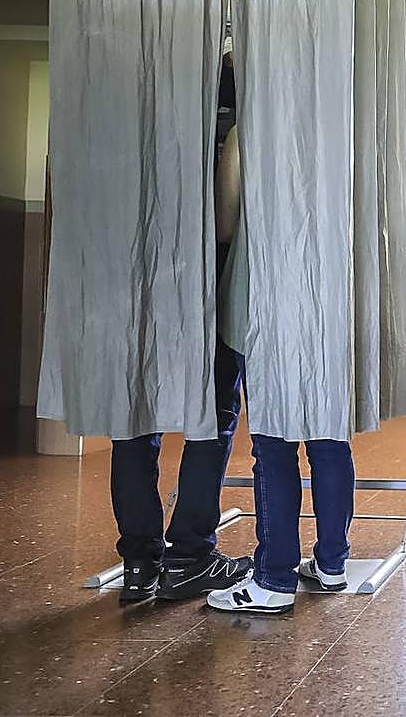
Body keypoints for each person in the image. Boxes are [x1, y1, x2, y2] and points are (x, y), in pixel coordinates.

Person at [205, 61, 357, 615]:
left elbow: (224, 224)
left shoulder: (250, 134)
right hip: (329, 302)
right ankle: (333, 563)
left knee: (273, 443)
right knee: (328, 435)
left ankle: (272, 578)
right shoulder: (346, 132)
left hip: (264, 297)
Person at [112, 50, 252, 603]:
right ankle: (189, 555)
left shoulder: (145, 112)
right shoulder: (237, 123)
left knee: (134, 418)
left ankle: (140, 563)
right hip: (205, 287)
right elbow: (221, 222)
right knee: (209, 417)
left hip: (135, 283)